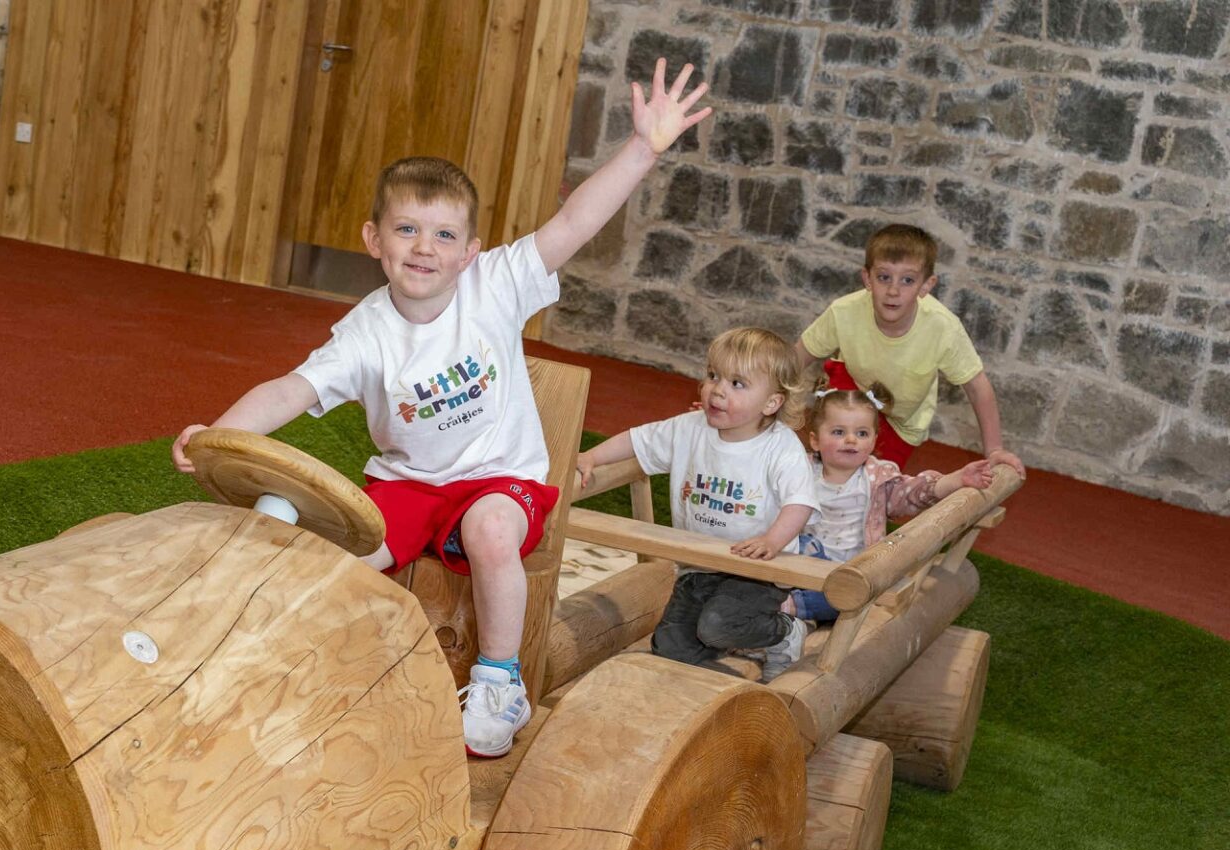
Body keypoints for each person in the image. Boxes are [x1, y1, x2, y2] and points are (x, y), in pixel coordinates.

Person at [171, 59, 713, 758]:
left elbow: (576, 220)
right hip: (406, 484)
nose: (425, 247)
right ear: (373, 240)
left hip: (497, 481)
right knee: (336, 556)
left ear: (471, 252)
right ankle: (284, 663)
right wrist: (220, 432)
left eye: (445, 235)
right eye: (406, 230)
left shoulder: (497, 285)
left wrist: (644, 147)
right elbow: (288, 391)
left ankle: (499, 680)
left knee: (490, 531)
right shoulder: (365, 331)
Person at [574, 327, 818, 682]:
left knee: (718, 624)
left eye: (737, 383)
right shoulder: (690, 429)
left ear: (771, 403)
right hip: (698, 566)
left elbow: (800, 503)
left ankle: (782, 631)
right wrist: (591, 456)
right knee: (672, 647)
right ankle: (727, 633)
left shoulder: (779, 447)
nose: (717, 389)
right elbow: (639, 440)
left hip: (756, 572)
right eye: (713, 375)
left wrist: (771, 542)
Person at [798, 223, 1026, 478]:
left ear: (926, 286)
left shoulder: (942, 327)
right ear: (867, 279)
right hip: (853, 385)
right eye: (884, 277)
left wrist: (994, 450)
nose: (893, 291)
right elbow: (798, 357)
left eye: (907, 280)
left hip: (902, 420)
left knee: (878, 484)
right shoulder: (844, 311)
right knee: (833, 463)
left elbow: (977, 387)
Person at [781, 382, 996, 626]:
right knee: (800, 544)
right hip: (805, 565)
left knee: (848, 601)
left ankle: (794, 606)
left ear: (873, 440)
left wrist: (955, 479)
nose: (851, 440)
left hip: (852, 574)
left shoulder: (877, 479)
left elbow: (915, 493)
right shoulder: (800, 471)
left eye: (862, 433)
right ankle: (790, 602)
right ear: (816, 440)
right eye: (839, 432)